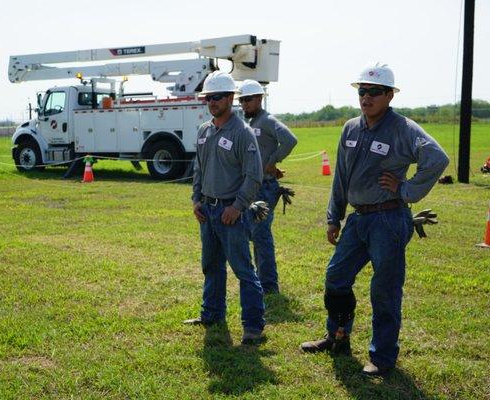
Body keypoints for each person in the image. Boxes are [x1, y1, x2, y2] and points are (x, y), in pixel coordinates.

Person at [300, 63, 449, 375]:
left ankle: (381, 357)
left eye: (374, 92)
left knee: (384, 290)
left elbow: (437, 158)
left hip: (389, 220)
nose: (366, 97)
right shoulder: (351, 128)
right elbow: (340, 176)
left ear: (389, 96)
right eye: (362, 91)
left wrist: (406, 190)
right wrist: (333, 217)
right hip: (358, 220)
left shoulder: (403, 129)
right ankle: (336, 337)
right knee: (336, 278)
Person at [184, 71, 266, 345]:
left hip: (231, 214)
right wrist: (196, 200)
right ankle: (212, 314)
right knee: (211, 266)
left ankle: (253, 327)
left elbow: (254, 175)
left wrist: (238, 207)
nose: (212, 102)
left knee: (243, 270)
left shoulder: (242, 132)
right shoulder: (204, 130)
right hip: (207, 211)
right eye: (208, 97)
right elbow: (199, 168)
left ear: (231, 98)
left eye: (217, 97)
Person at [237, 80, 298, 294]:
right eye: (241, 100)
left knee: (261, 236)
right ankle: (259, 281)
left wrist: (273, 162)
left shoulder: (267, 120)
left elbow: (290, 140)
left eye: (248, 99)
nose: (244, 104)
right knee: (251, 233)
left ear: (260, 98)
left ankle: (269, 286)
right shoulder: (252, 123)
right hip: (253, 187)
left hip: (265, 188)